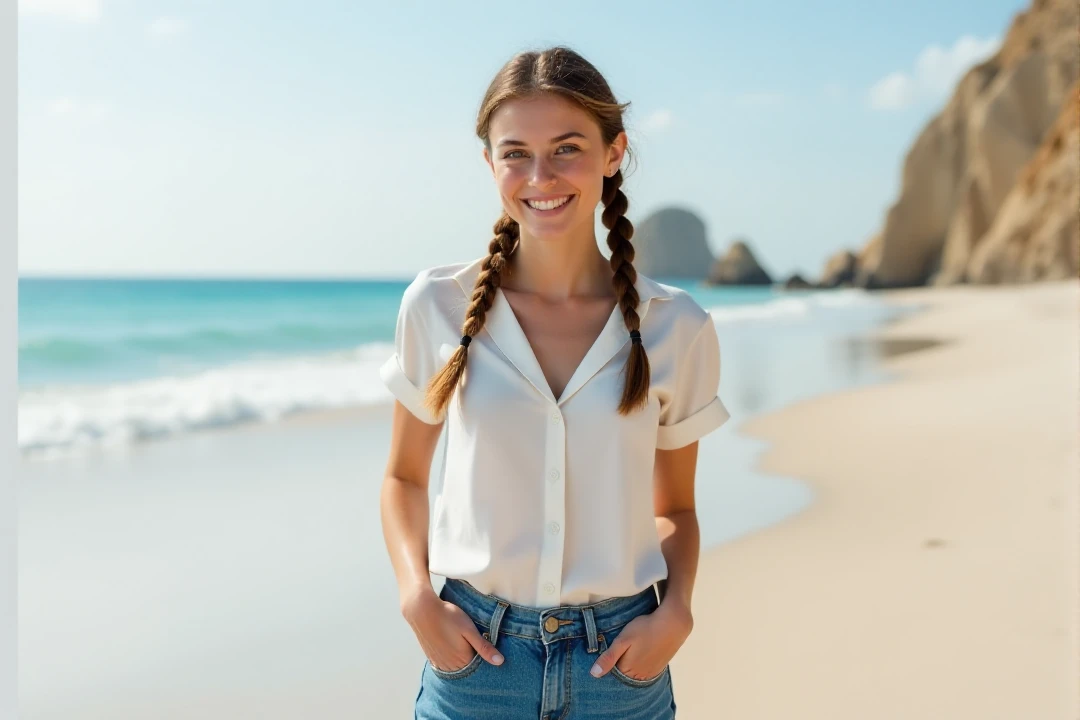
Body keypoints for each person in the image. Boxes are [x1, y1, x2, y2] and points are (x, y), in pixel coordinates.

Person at [379, 45, 730, 720]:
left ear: (613, 153)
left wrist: (678, 611)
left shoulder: (674, 326)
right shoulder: (436, 306)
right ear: (490, 163)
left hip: (621, 665)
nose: (540, 176)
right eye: (515, 153)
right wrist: (415, 597)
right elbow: (404, 478)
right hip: (475, 660)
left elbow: (676, 510)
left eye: (567, 148)